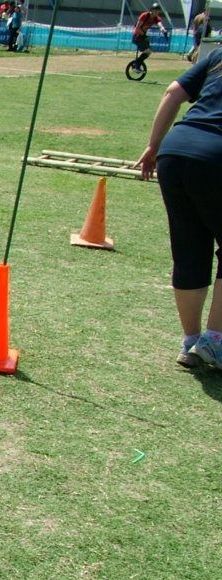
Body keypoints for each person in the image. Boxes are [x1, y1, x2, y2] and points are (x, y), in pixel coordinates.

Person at [135, 47, 222, 368]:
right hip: (217, 157)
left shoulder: (217, 56)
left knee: (189, 249)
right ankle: (214, 341)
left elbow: (173, 93)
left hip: (176, 150)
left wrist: (153, 146)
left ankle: (191, 342)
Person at [131, 3, 169, 71]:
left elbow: (160, 25)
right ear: (151, 10)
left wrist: (164, 30)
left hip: (143, 36)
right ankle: (137, 65)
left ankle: (137, 64)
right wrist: (144, 35)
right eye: (156, 10)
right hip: (137, 35)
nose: (157, 12)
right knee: (148, 50)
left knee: (149, 51)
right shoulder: (144, 15)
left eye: (158, 11)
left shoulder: (156, 18)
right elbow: (137, 28)